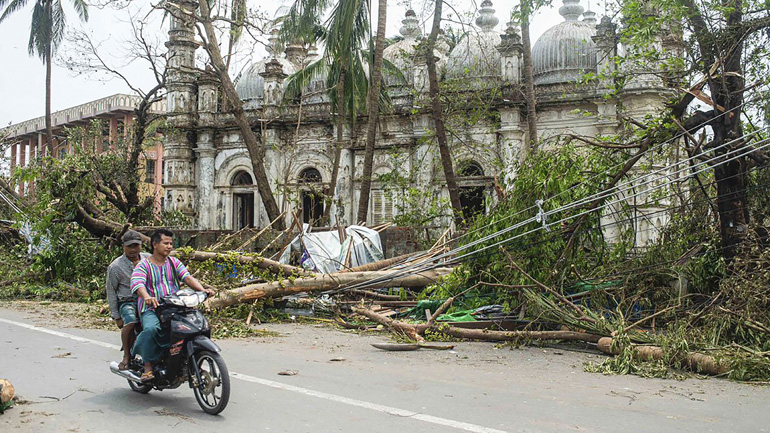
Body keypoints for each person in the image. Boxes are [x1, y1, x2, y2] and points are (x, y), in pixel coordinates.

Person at [130, 228, 214, 382]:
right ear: (155, 244)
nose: (169, 246)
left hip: (175, 306)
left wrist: (204, 291)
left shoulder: (174, 262)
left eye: (171, 243)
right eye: (165, 243)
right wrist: (147, 296)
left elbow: (187, 278)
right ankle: (148, 366)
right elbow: (137, 283)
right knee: (151, 329)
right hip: (152, 308)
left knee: (197, 326)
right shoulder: (143, 265)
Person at [106, 230, 149, 370]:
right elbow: (111, 291)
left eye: (136, 246)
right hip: (128, 301)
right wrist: (116, 316)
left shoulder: (149, 260)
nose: (133, 250)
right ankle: (126, 355)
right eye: (130, 246)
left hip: (147, 299)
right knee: (130, 322)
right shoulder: (115, 267)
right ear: (123, 246)